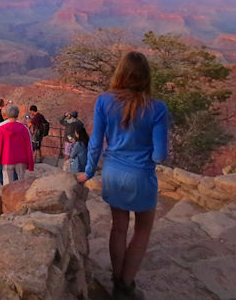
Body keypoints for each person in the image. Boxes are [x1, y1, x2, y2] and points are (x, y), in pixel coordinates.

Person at [77, 51, 168, 300]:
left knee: (118, 228)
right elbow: (160, 155)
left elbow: (95, 142)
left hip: (114, 175)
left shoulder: (104, 102)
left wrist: (88, 172)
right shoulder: (157, 108)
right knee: (142, 230)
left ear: (120, 74)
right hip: (142, 178)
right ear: (146, 77)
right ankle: (126, 285)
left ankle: (116, 278)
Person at [0, 104, 34, 185]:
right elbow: (29, 145)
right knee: (21, 182)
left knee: (8, 184)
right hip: (21, 159)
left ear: (7, 114)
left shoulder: (1, 129)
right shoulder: (24, 128)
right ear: (17, 114)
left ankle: (8, 197)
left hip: (7, 159)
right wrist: (30, 162)